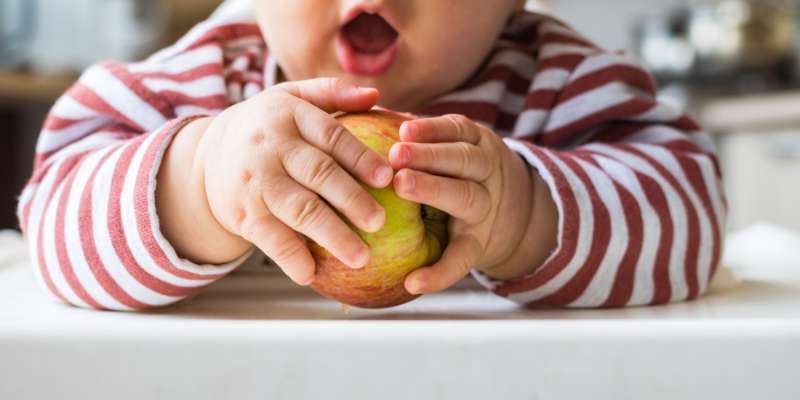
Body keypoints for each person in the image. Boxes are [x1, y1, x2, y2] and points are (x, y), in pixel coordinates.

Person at [17, 0, 725, 311]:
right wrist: (200, 178)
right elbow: (51, 218)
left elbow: (692, 213)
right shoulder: (201, 82)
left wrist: (524, 213)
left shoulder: (562, 84)